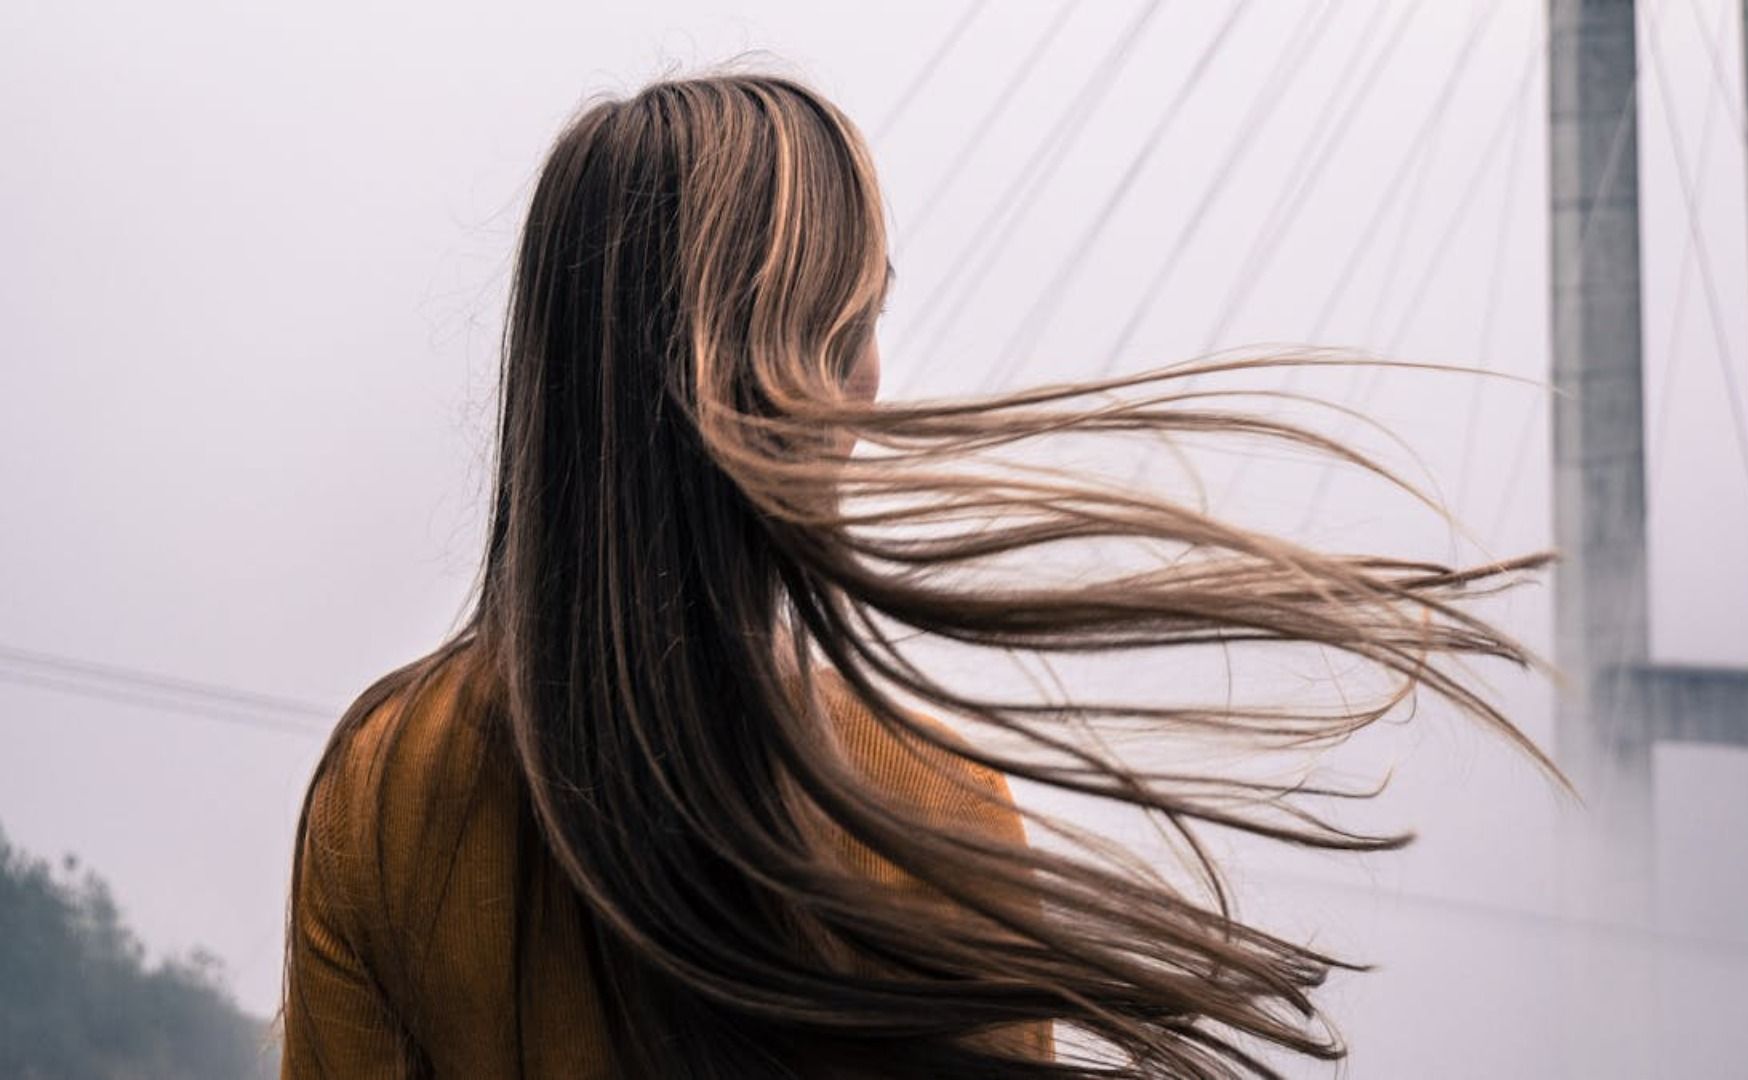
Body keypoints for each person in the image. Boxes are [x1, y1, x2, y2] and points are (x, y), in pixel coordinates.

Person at [281, 72, 1551, 1078]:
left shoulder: (385, 782)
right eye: (855, 317)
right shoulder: (927, 804)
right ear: (771, 362)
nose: (877, 373)